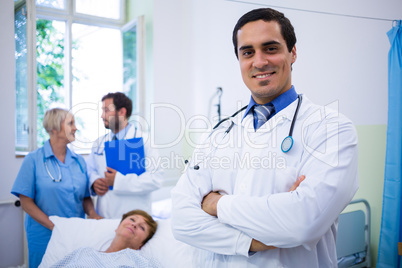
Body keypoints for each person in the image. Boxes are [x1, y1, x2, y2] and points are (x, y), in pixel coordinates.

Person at [171, 8, 358, 267]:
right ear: (239, 59)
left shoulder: (331, 129)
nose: (259, 62)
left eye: (270, 48)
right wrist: (253, 242)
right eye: (247, 52)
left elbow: (304, 223)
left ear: (292, 53)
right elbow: (181, 221)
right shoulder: (219, 133)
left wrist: (216, 205)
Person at [11, 108, 101, 268]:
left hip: (75, 234)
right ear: (54, 128)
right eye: (70, 123)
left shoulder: (79, 161)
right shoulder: (33, 160)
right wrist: (56, 227)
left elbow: (85, 197)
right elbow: (26, 203)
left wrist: (93, 214)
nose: (76, 128)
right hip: (44, 236)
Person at [86, 92, 163, 218]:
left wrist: (118, 181)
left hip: (134, 216)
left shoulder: (145, 141)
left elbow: (155, 179)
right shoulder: (99, 143)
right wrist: (94, 182)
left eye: (106, 110)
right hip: (104, 215)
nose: (102, 115)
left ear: (121, 112)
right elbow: (90, 170)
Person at [51, 209, 161, 267]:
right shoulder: (83, 253)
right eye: (132, 219)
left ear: (141, 245)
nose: (134, 224)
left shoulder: (142, 262)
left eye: (142, 227)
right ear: (117, 227)